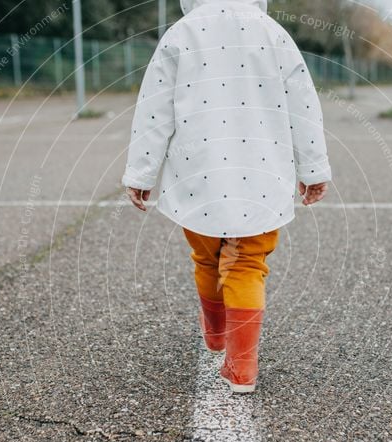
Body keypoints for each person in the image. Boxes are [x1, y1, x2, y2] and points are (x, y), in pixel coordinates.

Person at [122, 0, 331, 393]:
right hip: (262, 175)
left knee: (206, 255)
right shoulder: (273, 33)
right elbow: (303, 106)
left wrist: (141, 172)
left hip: (198, 175)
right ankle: (241, 368)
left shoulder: (181, 33)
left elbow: (155, 110)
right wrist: (314, 169)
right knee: (246, 264)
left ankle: (216, 332)